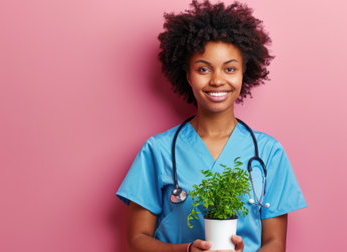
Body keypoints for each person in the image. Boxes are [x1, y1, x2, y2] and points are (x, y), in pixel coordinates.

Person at [116, 1, 307, 252]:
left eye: (230, 69)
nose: (217, 80)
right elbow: (137, 239)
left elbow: (275, 242)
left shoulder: (269, 152)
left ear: (243, 74)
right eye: (204, 69)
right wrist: (184, 250)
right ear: (187, 75)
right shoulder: (158, 150)